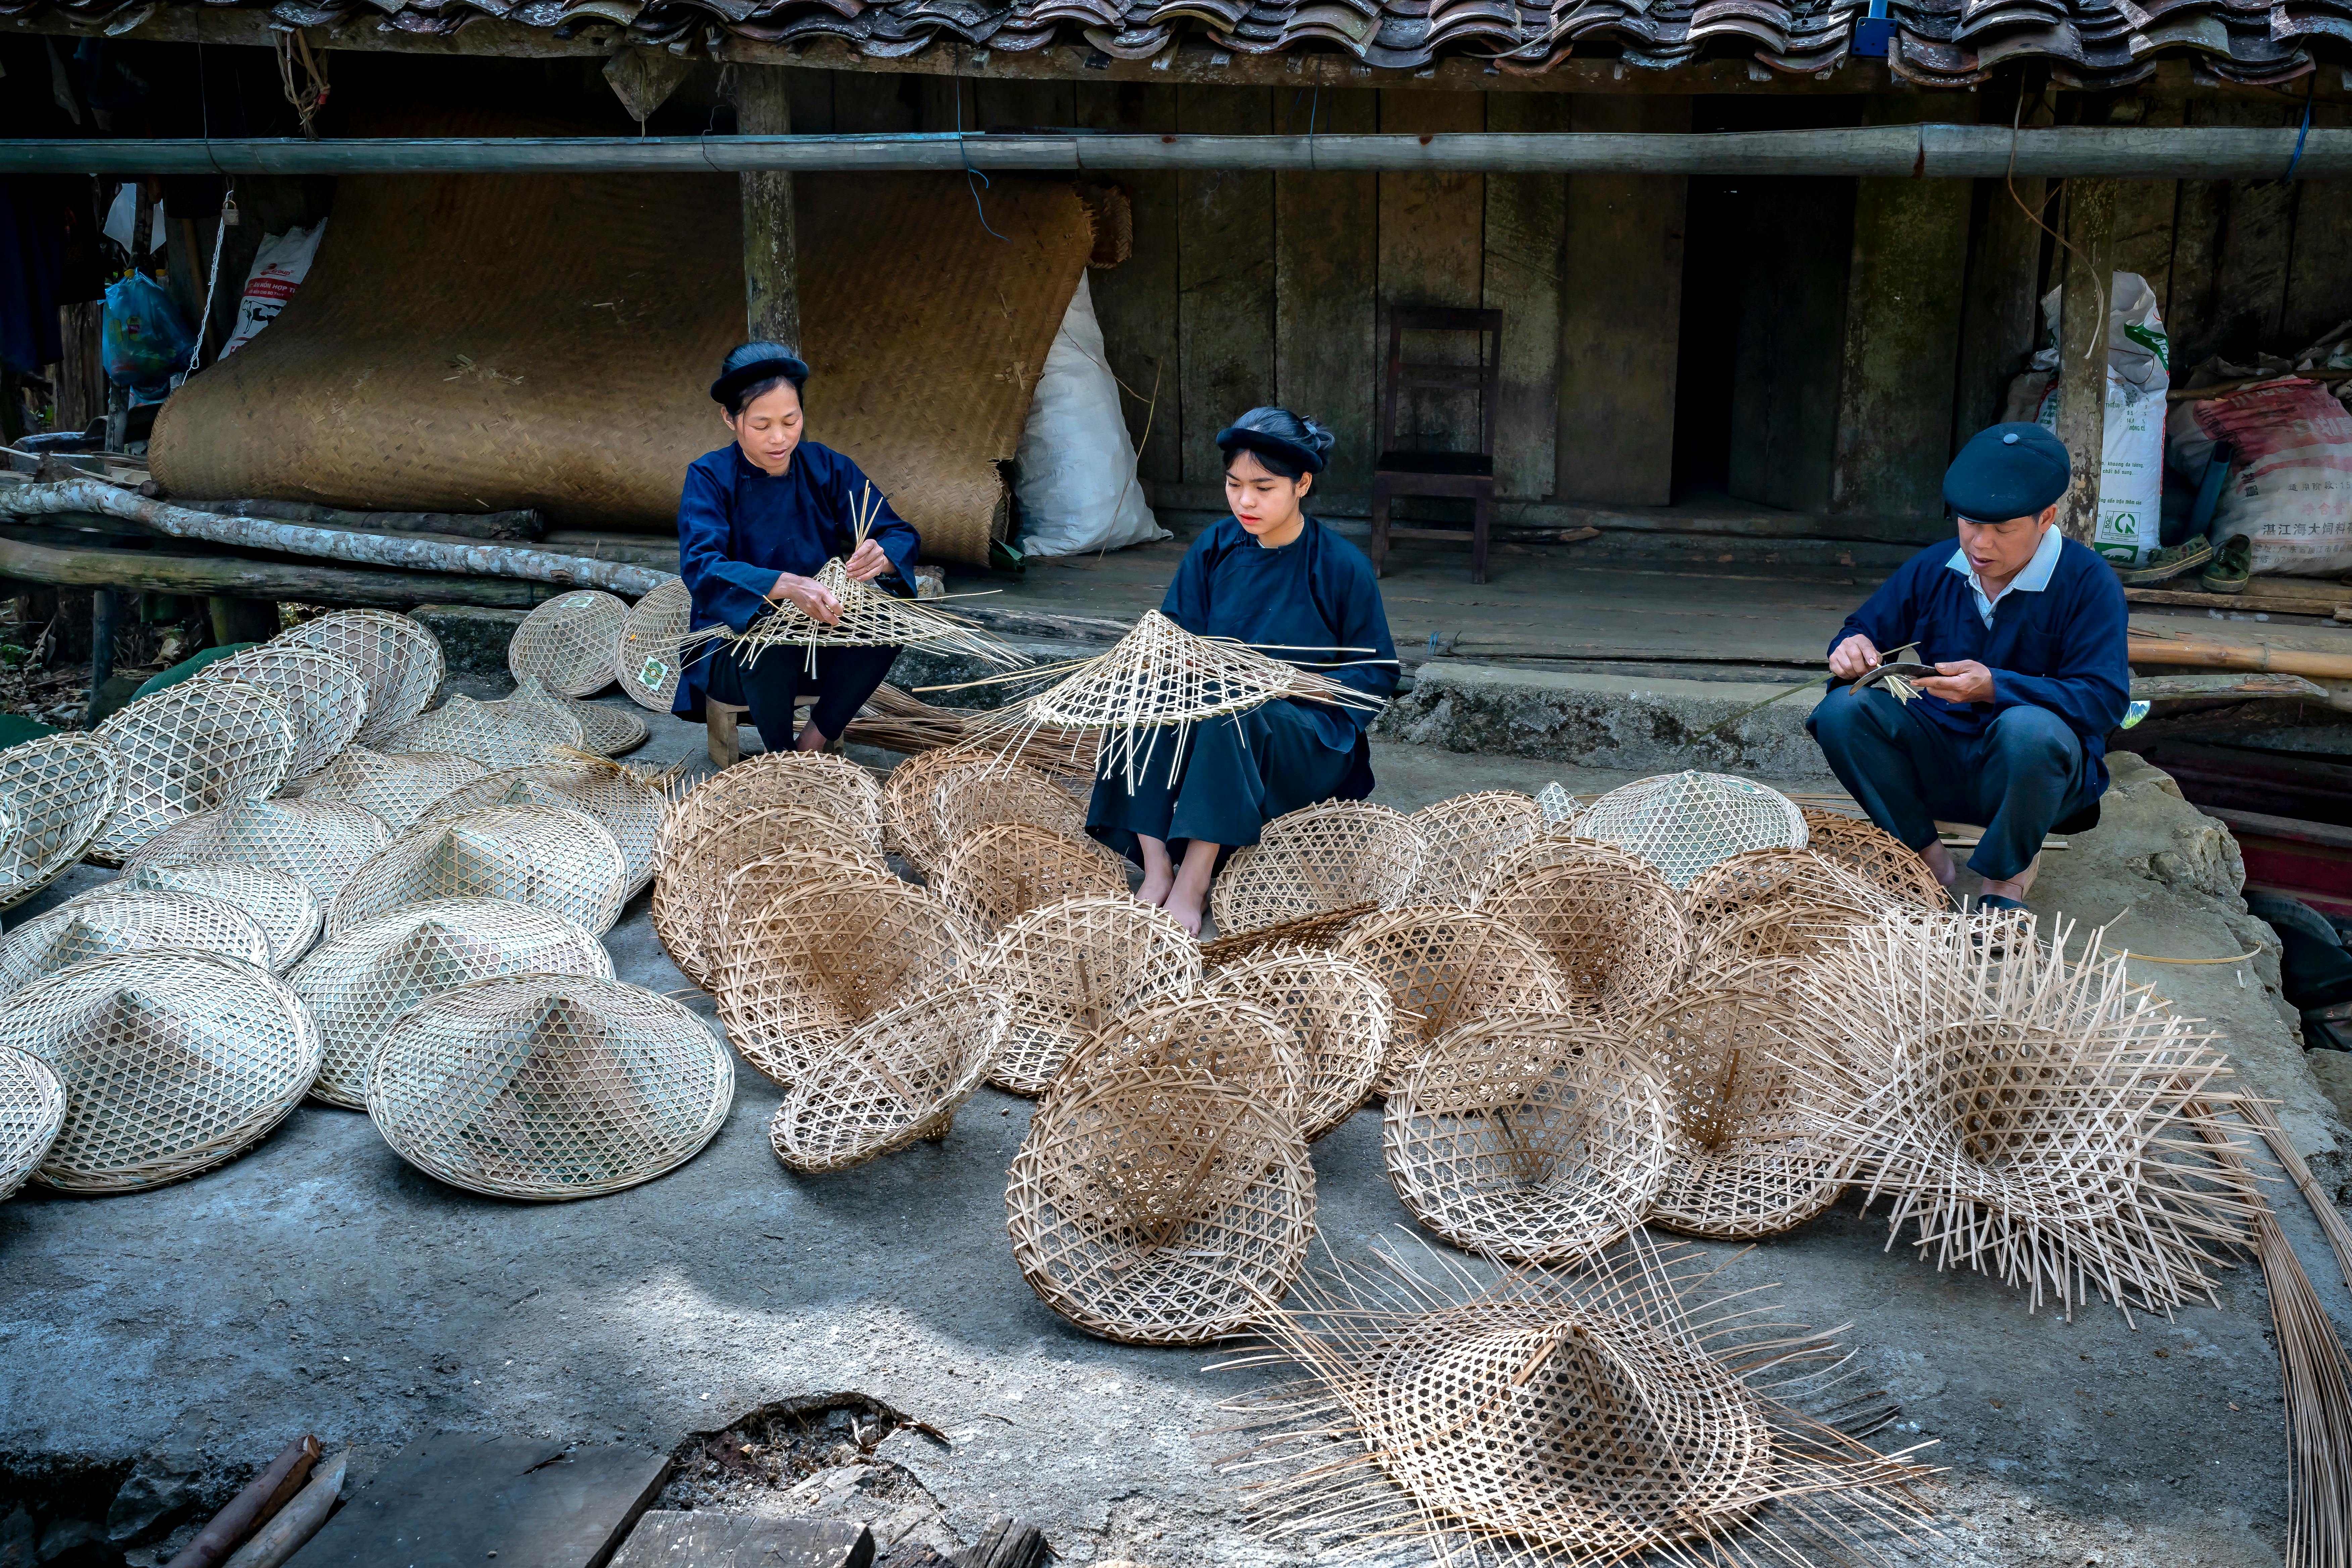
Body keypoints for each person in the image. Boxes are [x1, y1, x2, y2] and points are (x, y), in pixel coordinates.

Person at [1088, 408, 1399, 936]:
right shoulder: (1215, 546)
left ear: (1303, 483)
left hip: (1301, 737)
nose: (1246, 502)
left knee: (1234, 715)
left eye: (1263, 487)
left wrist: (1296, 689)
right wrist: (1178, 661)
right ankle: (1158, 865)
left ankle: (1195, 879)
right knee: (1140, 694)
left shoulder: (1341, 565)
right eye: (1234, 485)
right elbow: (1173, 631)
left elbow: (1375, 677)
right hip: (1213, 703)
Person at [1807, 422, 2129, 912]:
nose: (1981, 545)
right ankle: (1923, 857)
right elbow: (1863, 626)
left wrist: (1996, 687)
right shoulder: (1937, 566)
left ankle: (2004, 881)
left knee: (2030, 730)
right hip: (1937, 764)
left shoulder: (2088, 582)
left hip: (2033, 781)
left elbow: (2104, 700)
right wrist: (1852, 647)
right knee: (1840, 712)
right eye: (1970, 524)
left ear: (2046, 518)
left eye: (2003, 530)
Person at [675, 341, 920, 759]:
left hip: (823, 639)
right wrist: (785, 586)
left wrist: (885, 554)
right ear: (730, 419)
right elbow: (702, 566)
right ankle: (781, 759)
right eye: (762, 424)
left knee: (895, 626)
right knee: (770, 644)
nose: (780, 438)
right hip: (734, 649)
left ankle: (813, 741)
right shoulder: (709, 477)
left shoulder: (826, 467)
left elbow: (897, 530)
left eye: (791, 421)